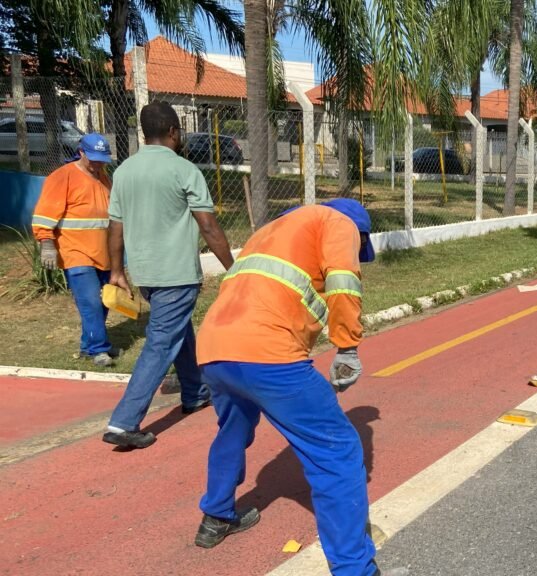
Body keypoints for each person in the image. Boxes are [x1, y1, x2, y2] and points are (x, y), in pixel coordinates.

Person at [193, 198, 378, 576]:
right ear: (358, 232)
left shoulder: (272, 230)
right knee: (338, 453)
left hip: (213, 348)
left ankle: (216, 515)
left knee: (234, 428)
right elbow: (344, 283)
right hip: (269, 355)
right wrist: (347, 347)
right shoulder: (339, 222)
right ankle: (354, 568)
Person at [103, 102, 234, 449]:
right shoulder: (184, 170)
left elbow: (115, 227)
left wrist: (117, 270)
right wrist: (234, 269)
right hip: (176, 273)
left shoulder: (124, 171)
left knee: (178, 330)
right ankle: (123, 422)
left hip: (146, 274)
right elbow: (208, 225)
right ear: (174, 131)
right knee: (161, 342)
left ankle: (193, 392)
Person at [32, 133, 118, 367]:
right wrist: (47, 243)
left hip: (102, 252)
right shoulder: (62, 177)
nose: (98, 163)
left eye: (102, 159)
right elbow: (44, 213)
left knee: (102, 302)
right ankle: (99, 350)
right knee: (89, 301)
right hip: (75, 252)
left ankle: (88, 344)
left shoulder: (103, 178)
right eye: (93, 158)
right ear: (81, 152)